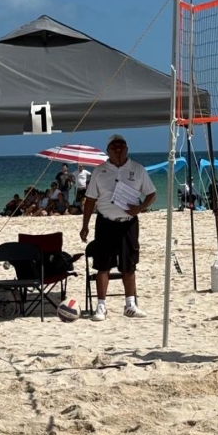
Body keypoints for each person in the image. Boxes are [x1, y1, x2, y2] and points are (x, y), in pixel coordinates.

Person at [79, 134, 156, 321]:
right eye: (114, 147)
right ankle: (101, 306)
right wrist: (85, 225)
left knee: (129, 264)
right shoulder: (99, 171)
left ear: (127, 149)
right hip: (105, 222)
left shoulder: (138, 169)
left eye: (121, 146)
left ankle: (130, 304)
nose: (118, 150)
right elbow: (90, 200)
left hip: (128, 223)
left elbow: (151, 194)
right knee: (102, 265)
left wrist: (139, 208)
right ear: (108, 151)